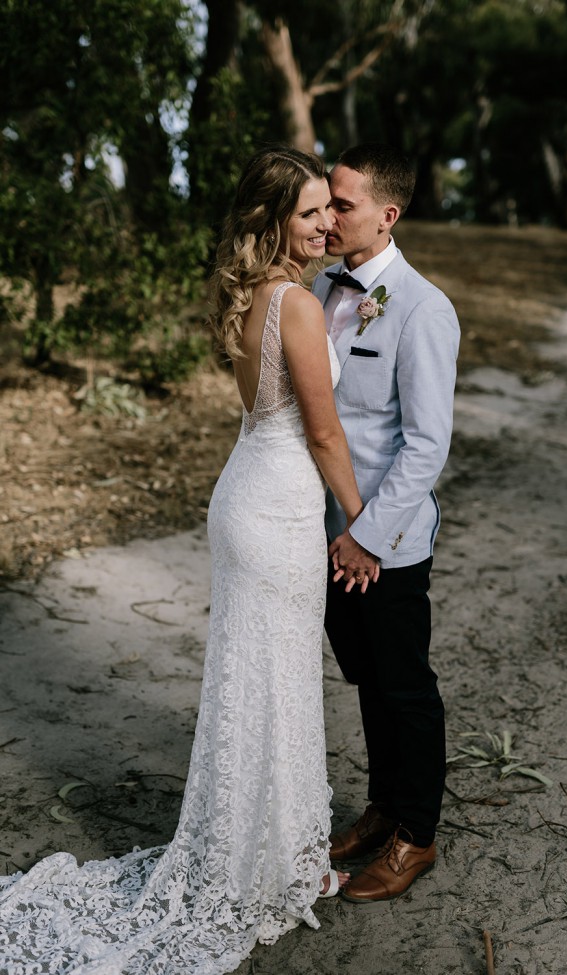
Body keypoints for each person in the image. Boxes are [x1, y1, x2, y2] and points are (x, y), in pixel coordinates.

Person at [0, 146, 377, 974]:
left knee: (259, 680)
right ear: (273, 220)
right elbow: (323, 433)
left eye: (329, 208)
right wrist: (366, 519)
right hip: (277, 508)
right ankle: (274, 865)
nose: (326, 224)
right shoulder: (297, 305)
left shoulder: (257, 293)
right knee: (277, 681)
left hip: (246, 491)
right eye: (310, 212)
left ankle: (267, 854)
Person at [312, 143, 460, 902]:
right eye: (327, 201)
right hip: (322, 529)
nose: (329, 217)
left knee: (404, 685)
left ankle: (417, 834)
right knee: (366, 676)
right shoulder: (319, 286)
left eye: (344, 205)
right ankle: (383, 807)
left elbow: (426, 444)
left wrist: (368, 537)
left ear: (387, 214)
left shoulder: (424, 308)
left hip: (385, 542)